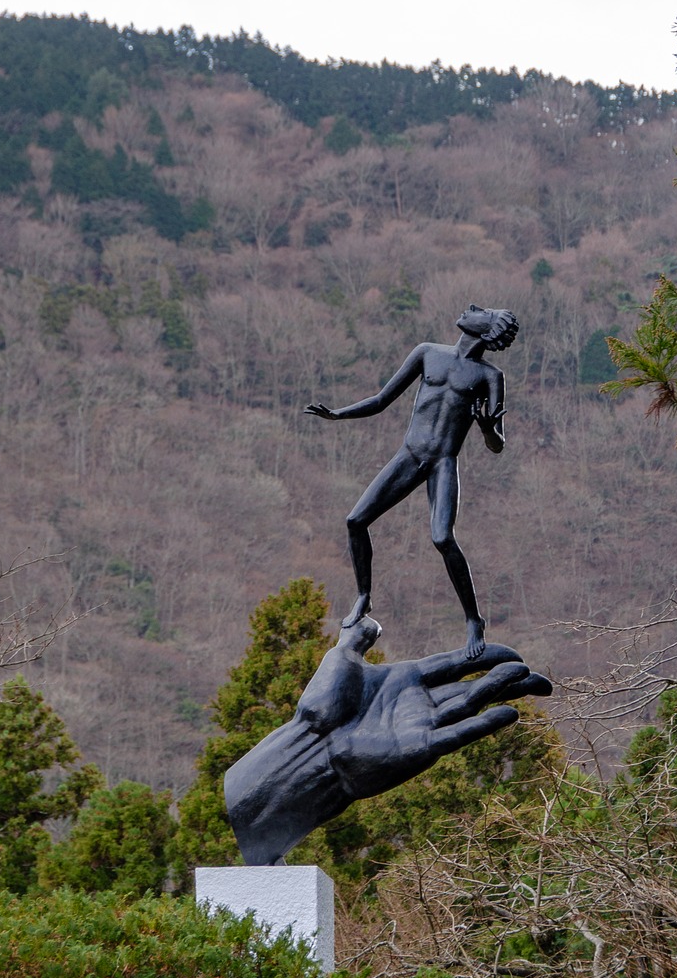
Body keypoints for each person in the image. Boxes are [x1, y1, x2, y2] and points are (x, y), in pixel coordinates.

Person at [224, 616, 551, 867]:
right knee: (465, 705)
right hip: (336, 754)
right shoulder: (339, 691)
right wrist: (324, 737)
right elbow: (322, 719)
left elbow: (320, 724)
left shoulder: (344, 675)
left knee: (465, 705)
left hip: (273, 804)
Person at [306, 305, 519, 659]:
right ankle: (364, 595)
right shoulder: (427, 353)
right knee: (355, 520)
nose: (472, 309)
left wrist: (486, 429)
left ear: (487, 331)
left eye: (483, 312)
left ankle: (473, 620)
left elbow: (497, 445)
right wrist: (338, 414)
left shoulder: (489, 377)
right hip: (410, 454)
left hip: (442, 463)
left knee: (442, 537)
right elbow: (381, 400)